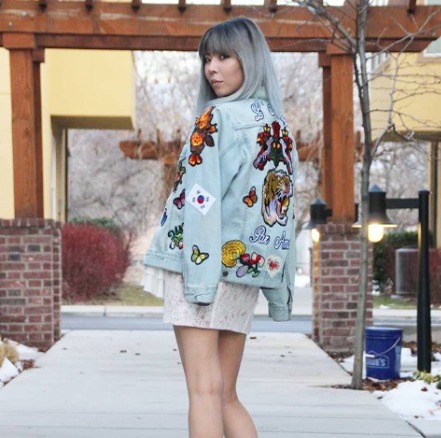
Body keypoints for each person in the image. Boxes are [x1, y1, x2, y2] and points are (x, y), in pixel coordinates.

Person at [141, 17, 298, 438]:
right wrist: (281, 292)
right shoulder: (278, 129)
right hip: (244, 270)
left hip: (202, 268)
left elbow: (201, 207)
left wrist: (199, 283)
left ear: (250, 60)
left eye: (224, 56)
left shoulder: (214, 120)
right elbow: (283, 215)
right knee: (226, 394)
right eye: (207, 58)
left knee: (204, 393)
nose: (212, 68)